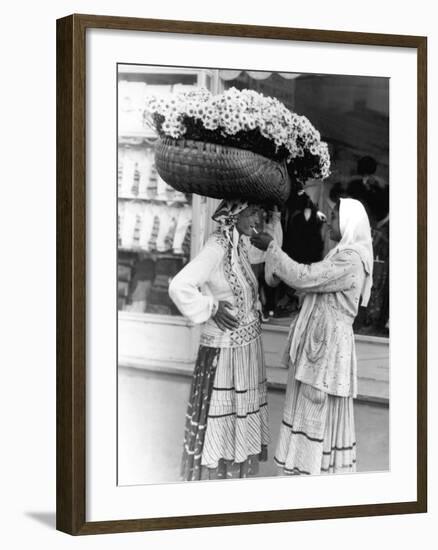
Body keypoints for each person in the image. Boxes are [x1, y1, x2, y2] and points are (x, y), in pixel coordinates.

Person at [250, 198, 373, 475]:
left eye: (333, 216)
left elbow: (305, 277)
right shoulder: (344, 253)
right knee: (315, 409)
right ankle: (310, 471)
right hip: (323, 343)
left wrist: (273, 248)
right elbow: (312, 284)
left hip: (326, 349)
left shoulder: (350, 259)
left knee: (315, 407)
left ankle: (309, 473)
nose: (327, 220)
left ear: (348, 222)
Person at [169, 200, 280, 481]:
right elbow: (179, 285)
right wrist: (212, 307)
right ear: (234, 214)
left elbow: (271, 262)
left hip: (246, 351)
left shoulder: (240, 244)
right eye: (253, 210)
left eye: (260, 210)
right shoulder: (217, 246)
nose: (259, 215)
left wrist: (273, 225)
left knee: (237, 420)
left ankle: (234, 478)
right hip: (225, 354)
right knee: (223, 421)